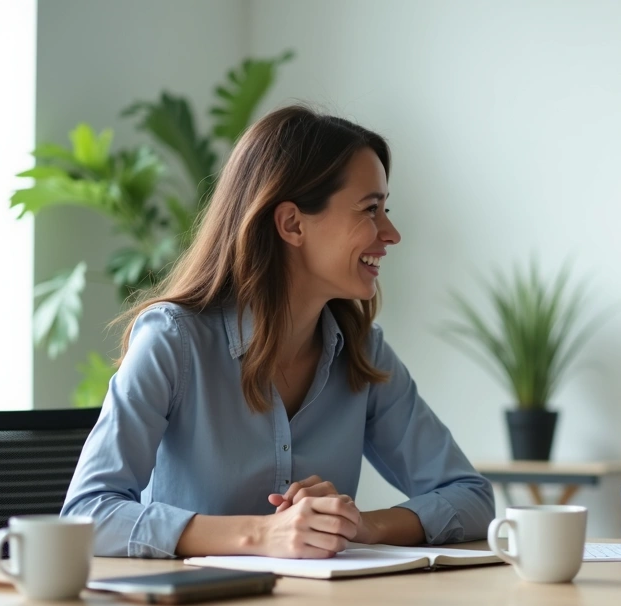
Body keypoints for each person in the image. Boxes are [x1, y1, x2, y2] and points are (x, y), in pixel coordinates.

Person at [63, 105, 494, 559]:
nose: (391, 233)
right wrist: (262, 535)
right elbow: (88, 515)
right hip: (188, 604)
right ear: (292, 224)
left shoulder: (363, 351)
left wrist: (360, 525)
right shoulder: (173, 341)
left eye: (385, 209)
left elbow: (471, 497)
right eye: (371, 209)